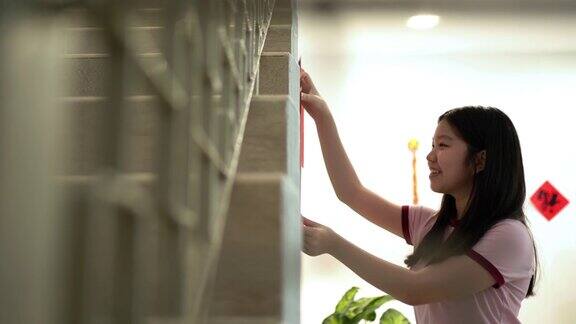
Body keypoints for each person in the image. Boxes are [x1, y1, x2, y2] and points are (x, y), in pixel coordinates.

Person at [300, 68, 538, 324]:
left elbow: (414, 289)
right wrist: (321, 115)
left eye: (443, 145)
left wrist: (334, 245)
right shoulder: (430, 223)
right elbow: (350, 192)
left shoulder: (510, 236)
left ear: (480, 160)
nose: (430, 156)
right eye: (432, 145)